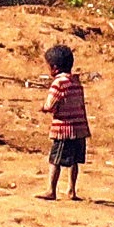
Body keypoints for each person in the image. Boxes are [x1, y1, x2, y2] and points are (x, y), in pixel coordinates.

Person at [42, 42, 88, 201]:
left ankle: (51, 190)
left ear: (54, 68)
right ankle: (71, 190)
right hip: (80, 128)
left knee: (55, 160)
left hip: (64, 129)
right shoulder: (76, 82)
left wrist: (44, 108)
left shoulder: (58, 83)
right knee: (74, 161)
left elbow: (50, 105)